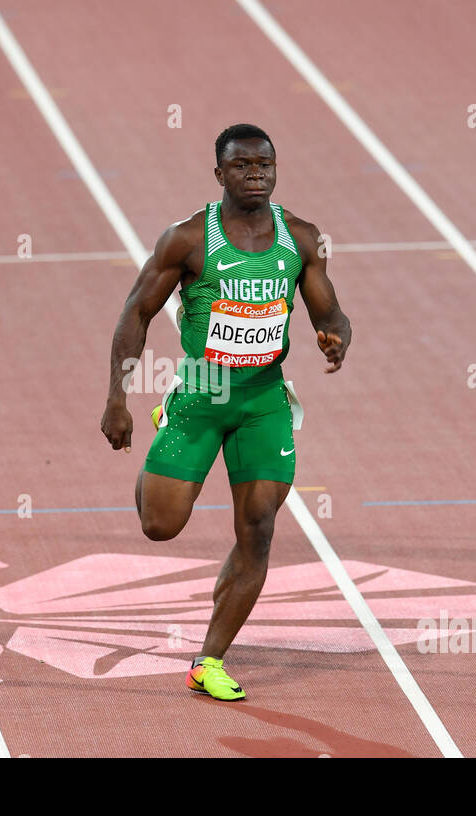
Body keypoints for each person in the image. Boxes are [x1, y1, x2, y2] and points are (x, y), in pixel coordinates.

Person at [100, 124, 351, 700]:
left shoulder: (303, 238)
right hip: (202, 392)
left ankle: (208, 660)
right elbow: (135, 313)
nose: (256, 174)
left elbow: (332, 314)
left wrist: (336, 338)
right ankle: (165, 436)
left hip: (264, 400)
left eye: (265, 164)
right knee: (159, 526)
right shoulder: (187, 239)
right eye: (242, 166)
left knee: (257, 529)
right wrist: (118, 395)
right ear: (220, 174)